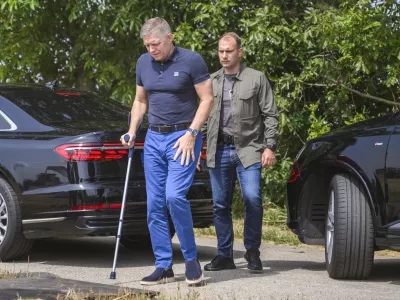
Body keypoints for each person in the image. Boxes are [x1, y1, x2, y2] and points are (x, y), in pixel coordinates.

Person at [121, 17, 213, 285]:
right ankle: (163, 265)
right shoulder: (143, 62)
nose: (152, 49)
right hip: (153, 139)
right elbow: (140, 101)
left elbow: (207, 99)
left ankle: (192, 260)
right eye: (147, 45)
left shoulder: (192, 61)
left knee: (174, 197)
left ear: (170, 38)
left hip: (183, 137)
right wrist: (132, 129)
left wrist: (192, 134)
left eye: (156, 44)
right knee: (155, 205)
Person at [201, 32, 279, 273]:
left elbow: (270, 114)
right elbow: (202, 118)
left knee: (253, 199)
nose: (224, 55)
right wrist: (196, 148)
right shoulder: (211, 81)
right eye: (221, 51)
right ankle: (225, 255)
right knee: (220, 205)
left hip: (249, 149)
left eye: (229, 51)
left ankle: (252, 252)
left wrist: (269, 146)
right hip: (218, 149)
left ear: (239, 52)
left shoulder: (256, 78)